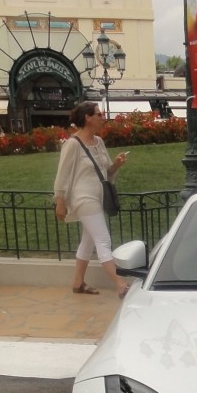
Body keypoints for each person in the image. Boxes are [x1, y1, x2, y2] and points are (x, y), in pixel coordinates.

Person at [53, 101, 130, 297]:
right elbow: (61, 175)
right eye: (98, 114)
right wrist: (60, 201)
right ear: (87, 118)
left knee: (87, 241)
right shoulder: (72, 144)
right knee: (103, 240)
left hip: (98, 197)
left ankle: (78, 283)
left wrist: (117, 165)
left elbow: (107, 174)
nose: (102, 117)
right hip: (83, 198)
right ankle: (120, 283)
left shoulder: (99, 142)